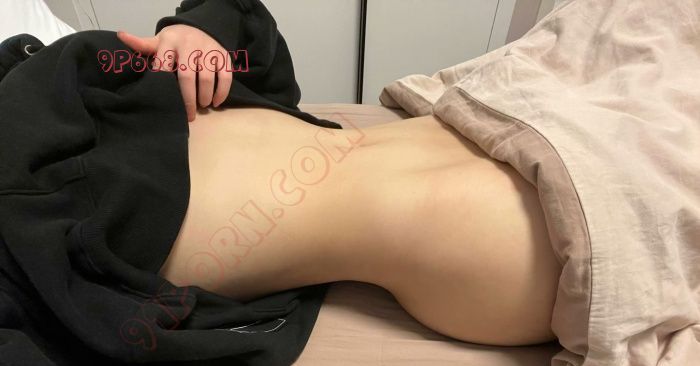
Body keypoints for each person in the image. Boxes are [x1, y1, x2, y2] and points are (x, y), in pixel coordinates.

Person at [118, 25, 563, 348]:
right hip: (492, 235)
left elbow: (235, 14)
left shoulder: (94, 67)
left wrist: (194, 30)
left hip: (491, 134)